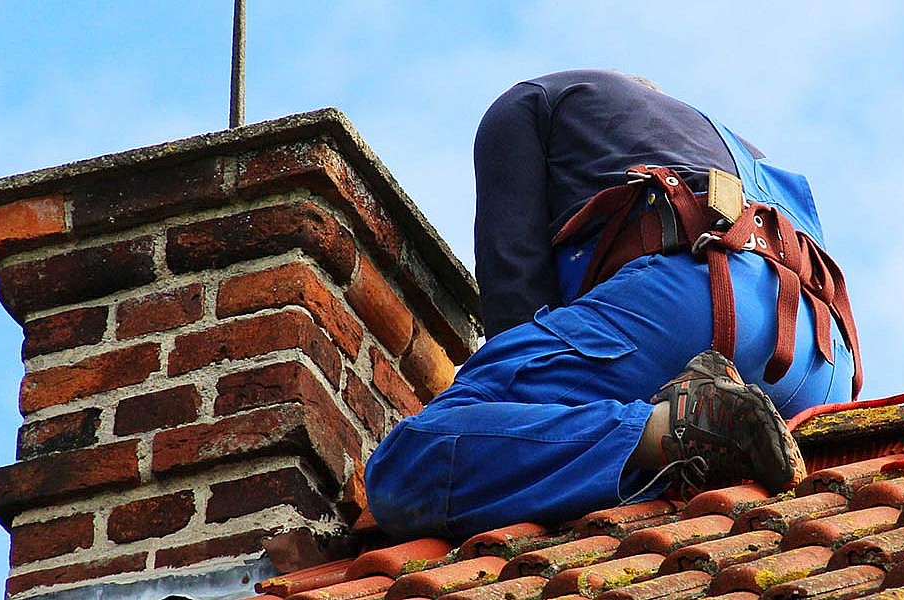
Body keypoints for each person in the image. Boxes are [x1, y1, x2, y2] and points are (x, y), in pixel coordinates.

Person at [364, 69, 862, 539]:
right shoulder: (748, 154)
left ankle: (677, 427)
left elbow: (515, 300)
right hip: (823, 366)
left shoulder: (532, 101)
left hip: (696, 307)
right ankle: (710, 436)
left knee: (408, 464)